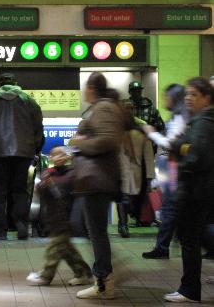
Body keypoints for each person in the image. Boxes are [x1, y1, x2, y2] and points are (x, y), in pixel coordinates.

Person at [70, 72, 125, 300]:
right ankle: (103, 274)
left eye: (86, 87)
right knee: (85, 226)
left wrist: (79, 143)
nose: (84, 91)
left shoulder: (103, 108)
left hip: (98, 179)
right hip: (92, 179)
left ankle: (104, 281)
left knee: (97, 231)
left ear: (92, 88)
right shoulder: (101, 108)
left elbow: (107, 140)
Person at [163, 77, 214, 303]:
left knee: (190, 239)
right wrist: (181, 146)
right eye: (187, 94)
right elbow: (183, 145)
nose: (189, 98)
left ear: (206, 97)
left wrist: (182, 158)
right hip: (200, 189)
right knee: (198, 236)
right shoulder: (199, 120)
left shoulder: (203, 122)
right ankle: (189, 287)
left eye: (194, 94)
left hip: (195, 190)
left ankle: (190, 289)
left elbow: (196, 155)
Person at [0, 73, 44, 240]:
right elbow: (38, 129)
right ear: (15, 83)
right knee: (20, 190)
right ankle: (21, 226)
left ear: (0, 85)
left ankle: (0, 230)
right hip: (23, 153)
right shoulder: (29, 102)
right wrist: (35, 149)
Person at [26, 147, 93, 286]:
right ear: (51, 158)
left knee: (55, 247)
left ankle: (46, 276)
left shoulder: (72, 174)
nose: (58, 157)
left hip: (66, 216)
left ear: (67, 157)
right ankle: (83, 272)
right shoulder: (47, 173)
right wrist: (45, 184)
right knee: (66, 248)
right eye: (55, 155)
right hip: (52, 216)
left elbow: (68, 194)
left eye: (61, 154)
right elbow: (39, 191)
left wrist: (52, 186)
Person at [141, 84, 188, 259]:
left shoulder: (180, 118)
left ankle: (162, 247)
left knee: (170, 208)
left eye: (167, 96)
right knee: (172, 209)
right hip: (173, 169)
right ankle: (165, 245)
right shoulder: (180, 117)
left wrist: (151, 133)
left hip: (175, 171)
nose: (164, 99)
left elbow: (170, 144)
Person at [118, 102, 155, 238]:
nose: (128, 111)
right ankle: (123, 225)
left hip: (136, 170)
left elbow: (148, 154)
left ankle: (129, 219)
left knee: (133, 200)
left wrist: (150, 176)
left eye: (131, 108)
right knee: (122, 198)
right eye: (125, 108)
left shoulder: (141, 128)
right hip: (120, 168)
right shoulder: (116, 128)